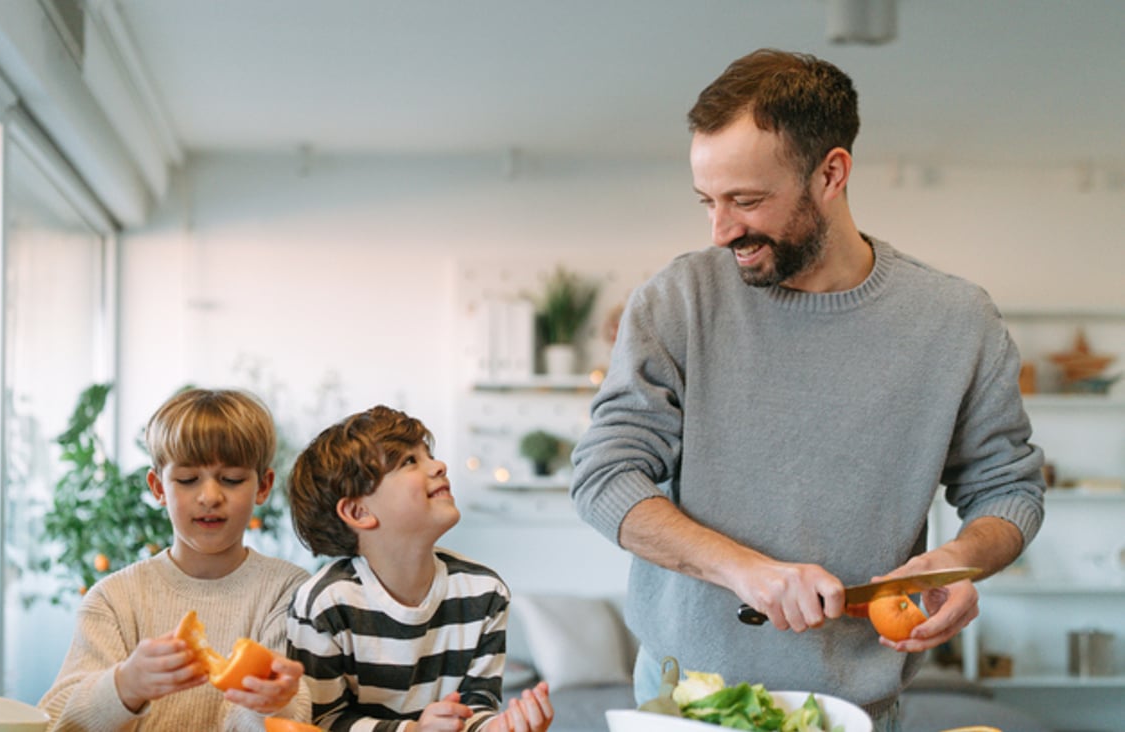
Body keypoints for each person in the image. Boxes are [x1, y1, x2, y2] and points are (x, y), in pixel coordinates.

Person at [569, 48, 1045, 729]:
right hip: (684, 699)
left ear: (832, 173)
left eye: (748, 200)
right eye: (708, 201)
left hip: (859, 707)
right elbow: (605, 479)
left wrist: (957, 566)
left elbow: (1011, 490)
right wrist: (745, 571)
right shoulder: (677, 301)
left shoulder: (957, 323)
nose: (721, 229)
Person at [39, 388, 312, 730]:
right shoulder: (113, 600)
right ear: (157, 488)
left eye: (231, 479)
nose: (210, 497)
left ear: (263, 486)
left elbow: (294, 719)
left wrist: (273, 701)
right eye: (187, 480)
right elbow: (54, 721)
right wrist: (125, 685)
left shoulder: (290, 593)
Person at [285, 405, 554, 732]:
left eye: (428, 454)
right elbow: (320, 722)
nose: (439, 465)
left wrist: (503, 728)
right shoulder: (324, 604)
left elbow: (477, 708)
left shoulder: (485, 592)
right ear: (358, 512)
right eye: (410, 461)